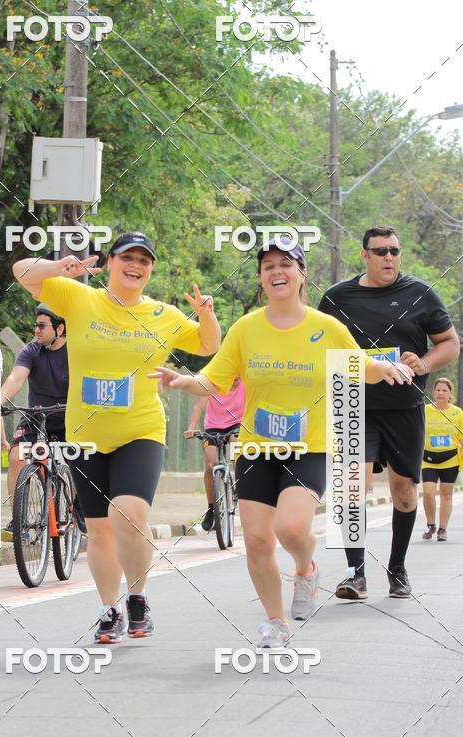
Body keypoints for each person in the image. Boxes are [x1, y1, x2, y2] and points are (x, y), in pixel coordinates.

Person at [153, 239, 414, 650]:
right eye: (268, 265)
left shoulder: (326, 328)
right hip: (257, 449)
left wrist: (386, 367)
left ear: (301, 273)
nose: (277, 271)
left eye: (286, 264)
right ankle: (275, 622)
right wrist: (184, 381)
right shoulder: (246, 328)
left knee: (290, 529)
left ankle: (305, 567)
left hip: (310, 448)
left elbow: (360, 365)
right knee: (257, 540)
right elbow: (213, 380)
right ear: (261, 278)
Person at [12, 232, 221, 643]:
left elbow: (207, 343)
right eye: (128, 257)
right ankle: (109, 610)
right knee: (99, 530)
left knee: (128, 512)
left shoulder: (163, 315)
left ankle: (137, 597)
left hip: (140, 430)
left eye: (144, 260)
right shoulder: (79, 298)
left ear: (150, 270)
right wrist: (59, 268)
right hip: (86, 434)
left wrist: (207, 314)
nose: (135, 266)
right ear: (110, 263)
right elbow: (21, 271)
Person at [319, 225, 459, 599]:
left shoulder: (420, 294)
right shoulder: (337, 298)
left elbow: (449, 343)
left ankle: (397, 568)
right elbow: (317, 345)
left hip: (404, 407)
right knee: (351, 486)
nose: (388, 257)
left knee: (405, 493)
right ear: (364, 255)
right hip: (353, 403)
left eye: (394, 251)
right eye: (380, 251)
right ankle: (355, 574)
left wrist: (424, 363)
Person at [0, 303, 85, 538]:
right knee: (16, 457)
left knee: (84, 460)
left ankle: (79, 504)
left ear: (60, 329)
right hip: (37, 418)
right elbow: (15, 379)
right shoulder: (31, 351)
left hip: (70, 417)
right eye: (35, 325)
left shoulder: (76, 351)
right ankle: (18, 520)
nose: (36, 330)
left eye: (42, 326)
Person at [184, 378, 245, 531]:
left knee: (236, 446)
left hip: (236, 425)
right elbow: (199, 407)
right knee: (211, 464)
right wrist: (191, 428)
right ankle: (212, 508)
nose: (235, 379)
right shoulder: (214, 382)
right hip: (213, 426)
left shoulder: (246, 382)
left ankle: (240, 486)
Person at [421, 377, 463, 541]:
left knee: (446, 494)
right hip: (428, 458)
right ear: (433, 392)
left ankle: (442, 529)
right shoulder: (424, 410)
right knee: (428, 492)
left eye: (444, 390)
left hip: (450, 458)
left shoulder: (457, 413)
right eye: (438, 390)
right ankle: (431, 524)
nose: (440, 393)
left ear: (450, 394)